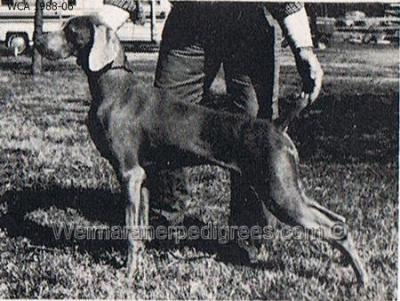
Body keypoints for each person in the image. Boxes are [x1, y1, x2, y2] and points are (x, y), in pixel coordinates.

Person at [96, 1, 323, 258]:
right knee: (162, 121)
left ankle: (246, 237)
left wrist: (303, 48)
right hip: (189, 24)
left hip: (250, 23)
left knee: (254, 129)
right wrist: (97, 28)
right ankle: (166, 227)